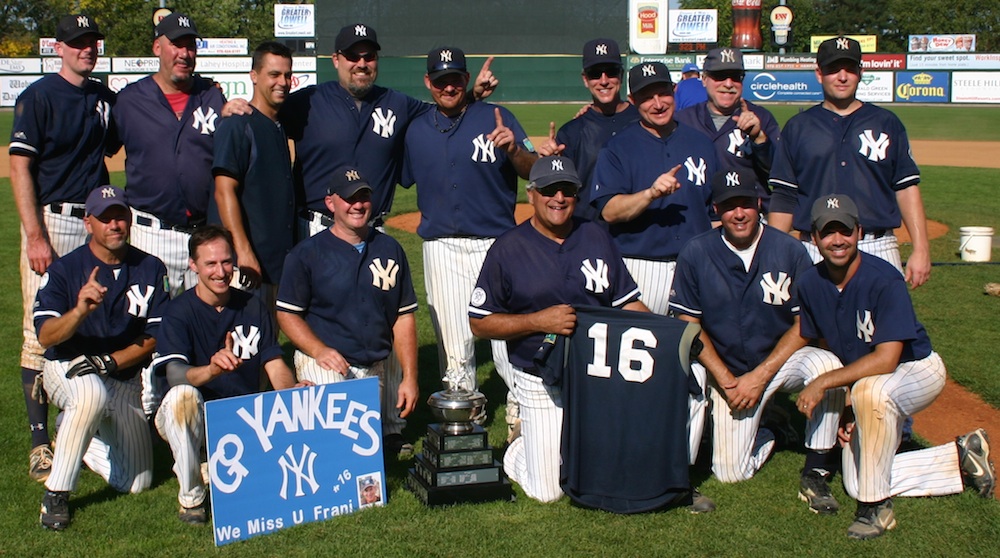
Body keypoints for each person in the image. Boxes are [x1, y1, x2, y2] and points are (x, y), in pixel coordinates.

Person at [794, 194, 996, 540]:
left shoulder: (883, 278)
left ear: (859, 232)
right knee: (856, 480)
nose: (837, 240)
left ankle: (877, 511)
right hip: (874, 379)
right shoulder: (811, 283)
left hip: (916, 369)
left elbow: (887, 360)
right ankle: (961, 456)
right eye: (828, 233)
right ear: (814, 238)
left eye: (845, 230)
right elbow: (830, 348)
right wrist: (847, 413)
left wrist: (824, 383)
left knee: (871, 391)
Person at [469, 156, 647, 503]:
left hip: (595, 375)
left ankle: (557, 443)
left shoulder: (596, 236)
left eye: (567, 190)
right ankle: (519, 447)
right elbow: (479, 321)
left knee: (603, 472)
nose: (559, 198)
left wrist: (668, 334)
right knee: (549, 491)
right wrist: (537, 321)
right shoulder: (507, 248)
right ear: (532, 194)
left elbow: (627, 302)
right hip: (538, 377)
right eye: (550, 190)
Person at [669, 168, 845, 514]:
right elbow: (689, 322)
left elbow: (804, 323)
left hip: (776, 366)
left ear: (759, 203)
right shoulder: (696, 252)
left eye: (746, 203)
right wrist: (727, 380)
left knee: (826, 364)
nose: (739, 213)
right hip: (727, 374)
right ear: (716, 209)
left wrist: (760, 377)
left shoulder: (789, 251)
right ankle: (774, 427)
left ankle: (817, 468)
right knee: (731, 473)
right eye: (729, 205)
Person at [9, 13, 118, 483]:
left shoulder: (104, 98)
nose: (86, 48)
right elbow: (19, 168)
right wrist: (35, 235)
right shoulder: (38, 97)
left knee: (92, 322)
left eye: (91, 41)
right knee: (41, 332)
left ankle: (83, 424)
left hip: (93, 222)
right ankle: (39, 444)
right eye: (76, 42)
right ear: (58, 47)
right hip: (52, 224)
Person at [402, 46, 537, 396]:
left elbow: (533, 171)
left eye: (456, 79)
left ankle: (521, 410)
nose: (449, 87)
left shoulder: (497, 116)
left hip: (498, 244)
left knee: (507, 336)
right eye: (441, 80)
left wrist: (514, 151)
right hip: (441, 247)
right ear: (427, 81)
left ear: (467, 79)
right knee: (453, 341)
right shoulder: (415, 130)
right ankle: (462, 419)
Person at [280, 24, 498, 236]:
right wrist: (246, 108)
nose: (362, 63)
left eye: (369, 56)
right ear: (336, 60)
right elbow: (266, 120)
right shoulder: (308, 101)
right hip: (316, 228)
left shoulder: (397, 103)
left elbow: (441, 110)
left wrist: (472, 95)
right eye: (353, 56)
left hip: (372, 230)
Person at [34, 186, 169, 530]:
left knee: (136, 483)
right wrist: (79, 311)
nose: (114, 225)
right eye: (105, 218)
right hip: (67, 366)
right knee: (90, 394)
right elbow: (45, 336)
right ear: (87, 223)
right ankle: (57, 494)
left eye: (120, 216)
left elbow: (154, 336)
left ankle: (75, 433)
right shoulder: (66, 269)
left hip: (121, 376)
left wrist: (109, 362)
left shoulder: (150, 267)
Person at [151, 226, 304, 524]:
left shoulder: (252, 306)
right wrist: (211, 370)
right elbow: (174, 376)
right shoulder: (178, 312)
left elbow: (273, 362)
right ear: (193, 265)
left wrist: (292, 391)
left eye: (226, 262)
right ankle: (192, 498)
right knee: (183, 398)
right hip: (192, 416)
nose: (221, 272)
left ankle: (209, 463)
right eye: (210, 263)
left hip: (240, 418)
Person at [276, 167, 419, 456]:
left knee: (366, 448)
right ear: (331, 203)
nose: (358, 205)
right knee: (338, 450)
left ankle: (389, 432)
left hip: (375, 363)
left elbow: (403, 316)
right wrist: (318, 351)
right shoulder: (306, 254)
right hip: (327, 361)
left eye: (364, 196)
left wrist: (410, 377)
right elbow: (287, 314)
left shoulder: (390, 249)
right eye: (349, 198)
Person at [768, 36, 931, 289]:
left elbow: (906, 188)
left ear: (860, 72)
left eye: (850, 68)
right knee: (811, 328)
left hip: (876, 245)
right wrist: (775, 254)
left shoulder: (886, 122)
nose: (842, 76)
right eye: (833, 69)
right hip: (814, 248)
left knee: (884, 328)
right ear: (819, 74)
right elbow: (784, 196)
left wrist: (921, 249)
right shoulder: (798, 128)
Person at [590, 61, 719, 315]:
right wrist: (650, 194)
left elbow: (713, 213)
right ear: (633, 100)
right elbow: (609, 211)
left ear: (674, 90)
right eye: (647, 97)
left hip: (697, 264)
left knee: (695, 348)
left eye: (663, 93)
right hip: (641, 267)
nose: (657, 104)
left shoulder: (702, 144)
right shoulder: (617, 148)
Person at [116, 13, 230, 296]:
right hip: (151, 233)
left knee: (204, 325)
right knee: (148, 326)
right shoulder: (129, 100)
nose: (184, 53)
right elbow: (98, 151)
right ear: (157, 48)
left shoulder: (213, 96)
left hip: (203, 234)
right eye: (176, 45)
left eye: (190, 46)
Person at [211, 41, 296, 299]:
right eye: (274, 74)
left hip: (273, 262)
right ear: (254, 76)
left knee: (269, 336)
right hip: (246, 266)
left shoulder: (278, 125)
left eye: (287, 75)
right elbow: (224, 192)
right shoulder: (237, 125)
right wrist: (243, 251)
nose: (282, 81)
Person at [536, 38, 638, 221]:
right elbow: (562, 192)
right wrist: (551, 164)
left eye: (611, 72)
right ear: (585, 79)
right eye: (595, 73)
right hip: (589, 234)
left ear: (621, 75)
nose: (604, 80)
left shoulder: (642, 122)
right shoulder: (571, 132)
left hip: (637, 237)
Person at [674, 48, 780, 206]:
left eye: (735, 77)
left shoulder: (761, 117)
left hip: (745, 214)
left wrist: (759, 139)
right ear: (704, 79)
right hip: (697, 216)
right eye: (719, 76)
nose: (728, 84)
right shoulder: (683, 120)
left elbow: (778, 173)